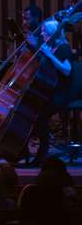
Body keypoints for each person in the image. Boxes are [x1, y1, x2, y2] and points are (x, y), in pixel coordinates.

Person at [26, 19, 73, 165]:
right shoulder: (48, 46)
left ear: (52, 33)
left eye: (44, 31)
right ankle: (22, 148)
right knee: (28, 109)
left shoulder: (63, 48)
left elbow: (67, 70)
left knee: (39, 115)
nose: (41, 33)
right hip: (47, 91)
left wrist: (50, 55)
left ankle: (43, 149)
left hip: (61, 93)